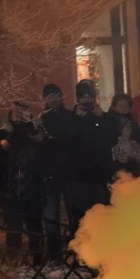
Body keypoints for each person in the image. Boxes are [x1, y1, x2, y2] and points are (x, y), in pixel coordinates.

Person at [0, 103, 46, 264]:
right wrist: (3, 143)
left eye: (23, 113)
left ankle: (38, 261)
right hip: (10, 191)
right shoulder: (3, 133)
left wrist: (40, 140)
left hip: (33, 191)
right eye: (16, 113)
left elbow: (47, 153)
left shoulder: (34, 132)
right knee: (13, 231)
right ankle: (14, 262)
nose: (20, 116)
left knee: (35, 230)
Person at [39, 83, 79, 260]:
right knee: (51, 217)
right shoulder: (41, 120)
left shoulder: (71, 117)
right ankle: (54, 253)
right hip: (50, 173)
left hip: (70, 171)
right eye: (49, 96)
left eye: (56, 95)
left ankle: (79, 251)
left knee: (74, 214)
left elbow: (76, 141)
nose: (53, 100)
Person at [69, 79, 117, 226]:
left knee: (102, 219)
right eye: (83, 96)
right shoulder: (71, 118)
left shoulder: (103, 118)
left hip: (99, 177)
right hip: (78, 178)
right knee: (80, 221)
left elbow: (112, 138)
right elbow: (67, 141)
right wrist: (77, 118)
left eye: (90, 96)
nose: (87, 100)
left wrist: (102, 117)